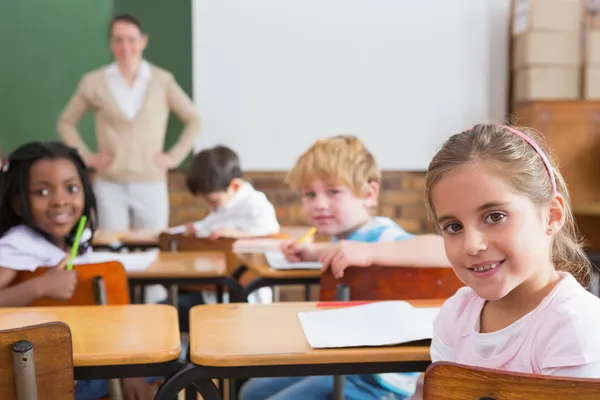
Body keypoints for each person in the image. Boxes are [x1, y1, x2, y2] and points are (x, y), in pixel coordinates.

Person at [239, 135, 448, 400]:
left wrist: (371, 253)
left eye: (333, 192)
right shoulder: (347, 239)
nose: (319, 204)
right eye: (309, 194)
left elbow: (442, 250)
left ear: (369, 194)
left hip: (376, 382)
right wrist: (313, 253)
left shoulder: (380, 234)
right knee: (250, 391)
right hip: (343, 362)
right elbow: (350, 254)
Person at [428, 124, 600, 376]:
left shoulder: (576, 325)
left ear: (551, 216)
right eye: (454, 226)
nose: (472, 245)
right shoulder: (455, 316)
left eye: (495, 217)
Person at [0, 141, 154, 399]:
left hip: (83, 364)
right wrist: (40, 287)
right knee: (180, 359)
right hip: (46, 380)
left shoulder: (73, 245)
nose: (60, 201)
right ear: (18, 203)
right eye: (42, 192)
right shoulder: (17, 245)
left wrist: (128, 371)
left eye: (71, 188)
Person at [57, 13, 201, 231]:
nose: (125, 46)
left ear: (143, 41)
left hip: (151, 182)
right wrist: (89, 158)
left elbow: (193, 120)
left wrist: (173, 157)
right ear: (110, 44)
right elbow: (65, 122)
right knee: (110, 247)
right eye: (118, 40)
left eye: (131, 39)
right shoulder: (94, 82)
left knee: (153, 245)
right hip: (110, 183)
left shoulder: (162, 81)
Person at [169, 145, 279, 329]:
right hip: (214, 290)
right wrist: (196, 230)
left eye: (212, 201)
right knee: (164, 307)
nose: (210, 206)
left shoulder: (255, 204)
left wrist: (238, 236)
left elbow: (272, 235)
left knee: (167, 311)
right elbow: (210, 225)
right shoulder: (224, 206)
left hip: (243, 297)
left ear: (234, 185)